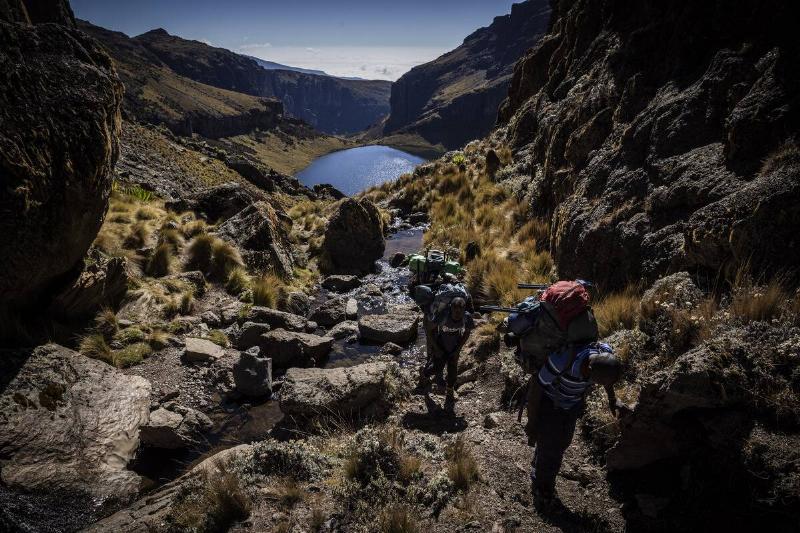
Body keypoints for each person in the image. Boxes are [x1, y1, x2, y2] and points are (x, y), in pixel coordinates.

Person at [528, 342, 622, 509]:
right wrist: (532, 421)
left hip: (572, 404)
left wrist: (612, 399)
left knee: (563, 442)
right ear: (590, 368)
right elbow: (537, 387)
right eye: (594, 381)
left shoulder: (604, 354)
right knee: (552, 450)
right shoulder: (563, 360)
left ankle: (540, 461)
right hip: (550, 403)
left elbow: (608, 380)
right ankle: (543, 489)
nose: (595, 384)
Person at [420, 296, 474, 410]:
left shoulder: (467, 317)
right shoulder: (443, 315)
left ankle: (450, 391)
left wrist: (458, 349)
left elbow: (466, 333)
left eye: (460, 311)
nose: (458, 314)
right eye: (455, 311)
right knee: (436, 367)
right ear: (451, 309)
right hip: (441, 345)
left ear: (464, 310)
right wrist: (436, 348)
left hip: (454, 346)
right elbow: (430, 331)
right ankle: (424, 374)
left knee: (453, 370)